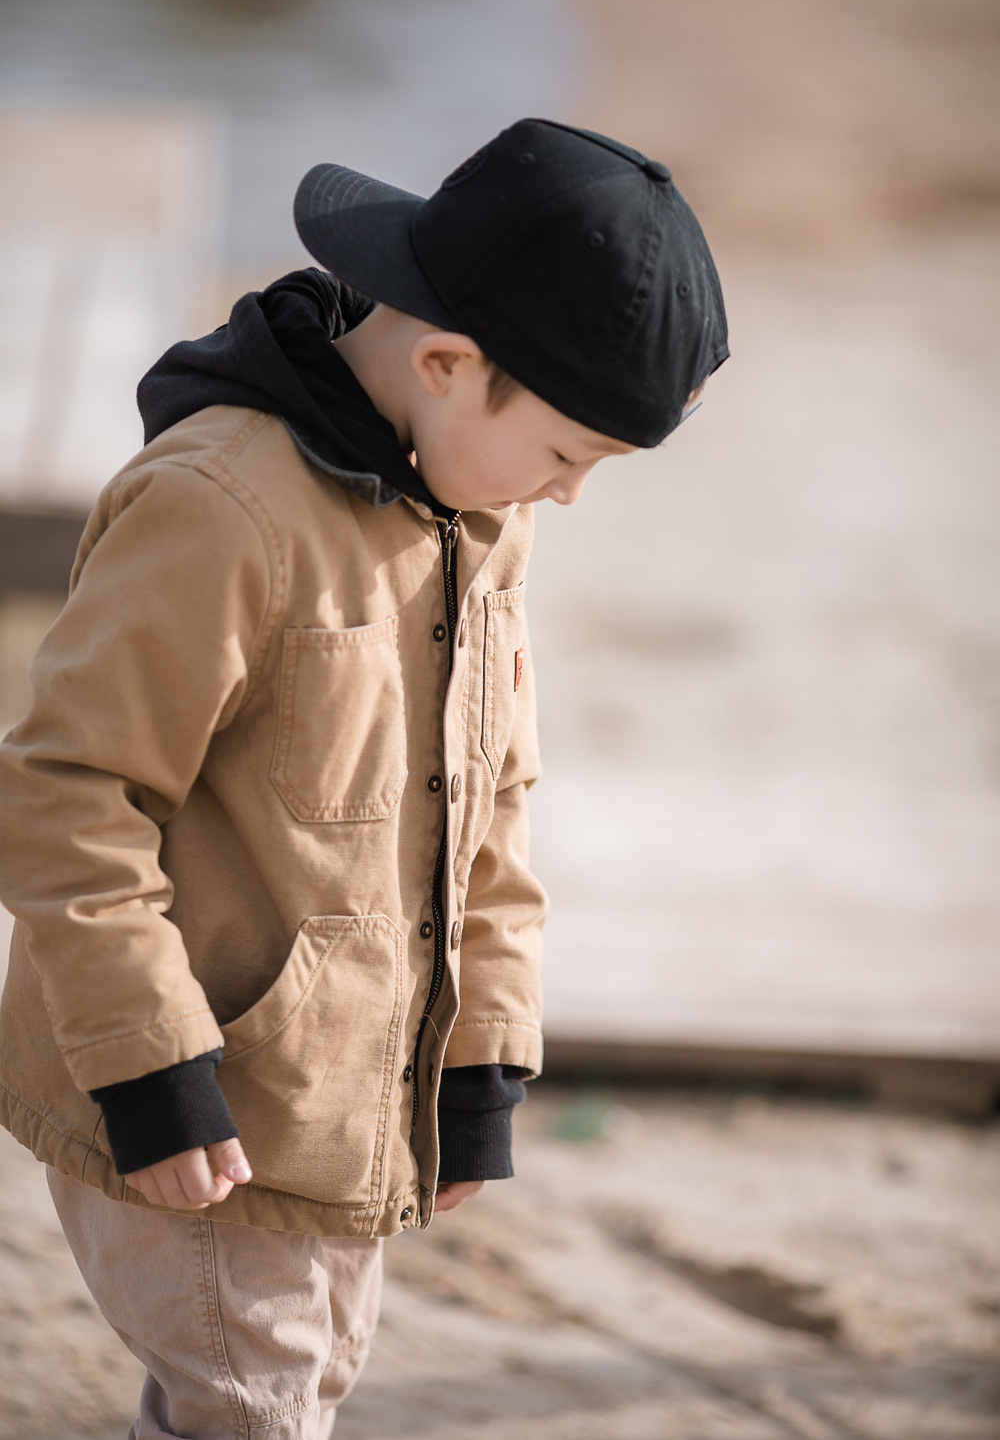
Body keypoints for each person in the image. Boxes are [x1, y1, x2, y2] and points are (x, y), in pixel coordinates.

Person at [0, 117, 728, 1437]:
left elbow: (491, 797)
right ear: (448, 364)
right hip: (199, 1100)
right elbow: (67, 794)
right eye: (567, 456)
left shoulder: (471, 512)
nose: (567, 497)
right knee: (257, 1402)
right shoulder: (222, 512)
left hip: (353, 1102)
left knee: (290, 1380)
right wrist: (151, 1071)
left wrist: (481, 1059)